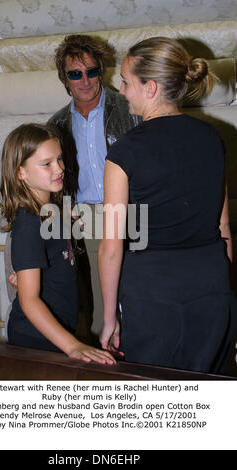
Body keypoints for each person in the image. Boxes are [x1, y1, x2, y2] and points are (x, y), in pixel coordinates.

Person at [98, 36, 237, 374]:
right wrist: (225, 290)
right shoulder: (212, 138)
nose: (121, 88)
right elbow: (224, 229)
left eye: (128, 81)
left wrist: (108, 318)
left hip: (154, 295)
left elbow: (111, 247)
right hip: (212, 287)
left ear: (151, 88)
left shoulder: (124, 153)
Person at [48, 34, 141, 341]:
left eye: (91, 71)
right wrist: (63, 217)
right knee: (99, 306)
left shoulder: (131, 110)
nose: (84, 80)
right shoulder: (56, 124)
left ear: (102, 71)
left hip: (133, 210)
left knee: (140, 297)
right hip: (85, 219)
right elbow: (54, 182)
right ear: (64, 78)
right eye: (75, 73)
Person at [0, 122, 116, 365]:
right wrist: (73, 346)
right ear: (20, 172)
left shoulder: (50, 213)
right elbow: (29, 301)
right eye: (46, 164)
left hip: (58, 330)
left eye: (59, 159)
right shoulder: (29, 224)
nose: (60, 168)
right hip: (36, 339)